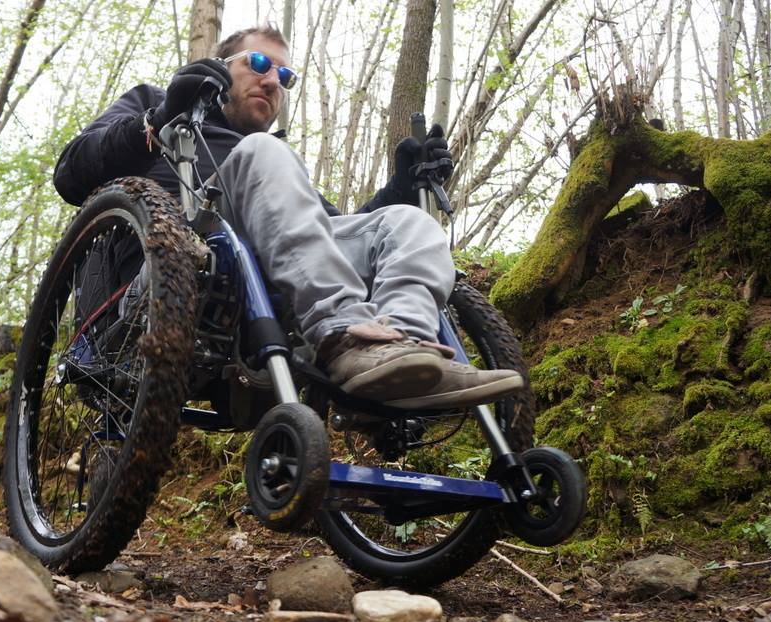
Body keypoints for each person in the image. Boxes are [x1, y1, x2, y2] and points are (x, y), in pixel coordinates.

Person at [54, 25, 522, 410]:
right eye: (258, 64)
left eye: (285, 74)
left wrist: (399, 189)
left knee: (408, 223)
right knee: (264, 152)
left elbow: (324, 243)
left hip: (267, 295)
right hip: (157, 286)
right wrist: (157, 120)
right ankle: (346, 337)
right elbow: (70, 174)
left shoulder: (273, 165)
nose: (273, 81)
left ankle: (405, 356)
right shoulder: (158, 106)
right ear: (219, 70)